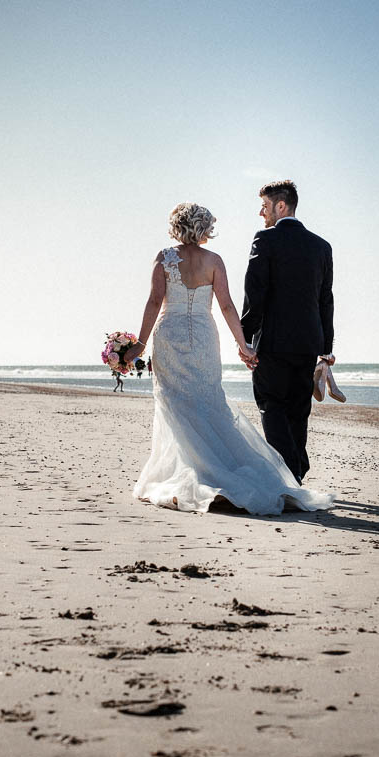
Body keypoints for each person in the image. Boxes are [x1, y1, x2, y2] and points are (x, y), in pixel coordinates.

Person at [122, 202, 331, 515]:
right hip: (205, 336)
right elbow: (228, 307)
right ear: (203, 228)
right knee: (208, 399)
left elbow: (154, 302)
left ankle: (190, 472)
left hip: (169, 334)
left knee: (174, 402)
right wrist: (243, 344)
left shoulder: (165, 258)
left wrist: (138, 345)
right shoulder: (214, 261)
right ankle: (214, 469)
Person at [240, 180, 335, 484]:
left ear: (282, 206)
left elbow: (255, 292)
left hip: (273, 342)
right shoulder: (322, 246)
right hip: (308, 342)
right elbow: (325, 299)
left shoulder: (265, 239)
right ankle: (297, 470)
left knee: (271, 404)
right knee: (298, 408)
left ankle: (289, 471)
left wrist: (245, 338)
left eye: (265, 206)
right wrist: (326, 346)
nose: (261, 212)